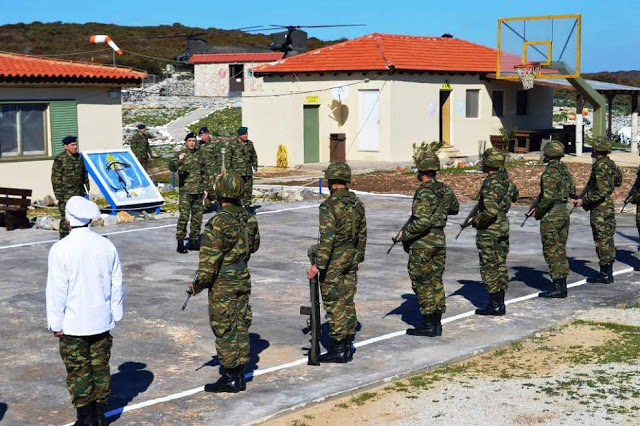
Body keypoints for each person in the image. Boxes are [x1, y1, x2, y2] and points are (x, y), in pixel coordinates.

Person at [46, 196, 123, 425]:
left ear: (68, 220)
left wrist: (55, 322)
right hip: (101, 320)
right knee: (100, 370)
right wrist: (115, 313)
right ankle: (99, 417)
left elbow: (57, 290)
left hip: (73, 324)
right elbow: (116, 282)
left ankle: (85, 419)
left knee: (79, 372)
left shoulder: (60, 249)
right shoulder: (106, 245)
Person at [188, 173, 260, 393]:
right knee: (240, 323)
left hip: (223, 282)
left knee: (224, 327)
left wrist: (197, 285)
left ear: (220, 194)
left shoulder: (217, 222)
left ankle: (230, 377)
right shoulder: (248, 218)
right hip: (242, 277)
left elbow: (209, 262)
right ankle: (239, 374)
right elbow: (254, 246)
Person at [307, 162, 366, 363]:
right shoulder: (357, 203)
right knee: (347, 299)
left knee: (335, 302)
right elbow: (362, 233)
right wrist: (358, 257)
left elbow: (328, 238)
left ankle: (339, 347)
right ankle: (348, 342)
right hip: (351, 257)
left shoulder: (329, 206)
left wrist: (318, 265)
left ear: (331, 181)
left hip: (334, 260)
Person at [400, 143, 459, 336]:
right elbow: (454, 208)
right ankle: (436, 323)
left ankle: (428, 325)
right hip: (439, 242)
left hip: (423, 244)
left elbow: (422, 222)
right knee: (435, 281)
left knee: (422, 282)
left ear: (422, 171)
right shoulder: (444, 189)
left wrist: (406, 235)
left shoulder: (424, 191)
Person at [472, 148, 519, 316]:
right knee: (500, 265)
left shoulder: (491, 182)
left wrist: (476, 221)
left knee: (489, 266)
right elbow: (515, 195)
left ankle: (494, 305)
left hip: (490, 230)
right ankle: (500, 303)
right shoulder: (505, 180)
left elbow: (490, 212)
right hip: (502, 227)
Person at [574, 137, 622, 283]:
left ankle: (605, 274)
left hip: (600, 207)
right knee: (608, 238)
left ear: (597, 150)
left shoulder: (600, 166)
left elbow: (600, 192)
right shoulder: (610, 164)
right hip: (608, 205)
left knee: (601, 239)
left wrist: (584, 201)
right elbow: (618, 180)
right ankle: (608, 272)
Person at [532, 141, 576, 298]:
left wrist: (538, 211)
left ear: (548, 154)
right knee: (560, 249)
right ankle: (562, 285)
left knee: (551, 250)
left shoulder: (550, 172)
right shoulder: (564, 170)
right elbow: (572, 190)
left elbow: (548, 198)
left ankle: (558, 286)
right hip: (564, 213)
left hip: (551, 216)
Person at [169, 132, 208, 253]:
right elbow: (172, 167)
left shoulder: (200, 154)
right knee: (184, 217)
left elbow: (204, 173)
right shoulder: (181, 154)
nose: (192, 143)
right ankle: (180, 242)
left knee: (197, 218)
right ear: (186, 142)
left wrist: (205, 188)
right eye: (189, 141)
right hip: (185, 191)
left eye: (193, 141)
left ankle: (193, 241)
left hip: (198, 191)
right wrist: (179, 160)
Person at [51, 135, 90, 239]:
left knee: (79, 216)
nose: (75, 147)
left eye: (75, 145)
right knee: (66, 218)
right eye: (72, 145)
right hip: (66, 194)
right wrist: (59, 195)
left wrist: (86, 188)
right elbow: (55, 178)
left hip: (79, 192)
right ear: (66, 146)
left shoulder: (79, 157)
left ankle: (78, 238)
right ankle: (63, 239)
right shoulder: (60, 159)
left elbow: (84, 174)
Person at [224, 126, 258, 207]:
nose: (246, 136)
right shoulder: (232, 144)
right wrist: (229, 171)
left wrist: (255, 167)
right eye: (244, 134)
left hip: (248, 173)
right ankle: (237, 208)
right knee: (237, 191)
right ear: (239, 135)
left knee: (248, 191)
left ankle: (247, 208)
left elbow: (254, 156)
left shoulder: (249, 144)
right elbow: (227, 158)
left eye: (246, 134)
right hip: (236, 173)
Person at [198, 126, 223, 209]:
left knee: (210, 188)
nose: (202, 137)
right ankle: (207, 204)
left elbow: (218, 158)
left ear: (207, 134)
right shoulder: (199, 145)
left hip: (212, 170)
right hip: (202, 171)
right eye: (200, 136)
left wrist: (218, 169)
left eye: (203, 135)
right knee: (203, 187)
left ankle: (219, 201)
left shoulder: (214, 144)